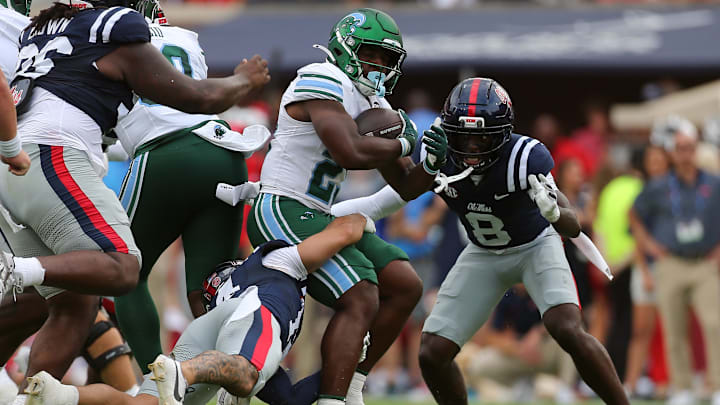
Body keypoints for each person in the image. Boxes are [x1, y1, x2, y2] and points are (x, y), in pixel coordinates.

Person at [0, 0, 269, 401]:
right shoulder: (113, 30)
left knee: (75, 304)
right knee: (123, 266)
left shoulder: (48, 31)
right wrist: (243, 79)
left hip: (18, 165)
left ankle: (29, 399)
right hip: (51, 153)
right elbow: (198, 96)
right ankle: (14, 268)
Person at [331, 78, 629, 405]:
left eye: (482, 136)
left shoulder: (524, 157)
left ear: (502, 133)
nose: (472, 146)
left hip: (534, 247)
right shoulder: (439, 155)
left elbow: (572, 227)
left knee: (567, 328)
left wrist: (555, 213)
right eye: (464, 135)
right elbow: (399, 191)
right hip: (483, 254)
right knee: (432, 352)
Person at [245, 8, 446, 405]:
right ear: (347, 47)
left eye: (390, 60)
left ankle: (348, 381)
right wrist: (405, 141)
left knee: (405, 285)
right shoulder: (322, 78)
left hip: (317, 215)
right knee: (361, 295)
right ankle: (332, 400)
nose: (382, 67)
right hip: (281, 207)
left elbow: (406, 183)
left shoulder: (371, 100)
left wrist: (434, 163)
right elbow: (349, 150)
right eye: (375, 54)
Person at [22, 213, 374, 405]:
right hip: (250, 314)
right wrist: (361, 219)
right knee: (246, 375)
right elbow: (342, 231)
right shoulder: (280, 262)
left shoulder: (229, 285)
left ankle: (59, 395)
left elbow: (292, 400)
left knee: (145, 404)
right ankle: (185, 372)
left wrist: (345, 361)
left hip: (211, 330)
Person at [109, 0, 269, 373]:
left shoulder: (109, 39)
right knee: (210, 289)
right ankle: (218, 379)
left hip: (168, 154)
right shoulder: (185, 38)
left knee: (124, 272)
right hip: (224, 151)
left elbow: (139, 117)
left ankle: (156, 381)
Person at [630, 122, 720, 405]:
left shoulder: (713, 183)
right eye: (680, 148)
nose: (685, 153)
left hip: (704, 262)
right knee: (673, 327)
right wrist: (650, 246)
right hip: (671, 262)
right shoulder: (658, 186)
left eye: (690, 148)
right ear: (672, 152)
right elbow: (633, 214)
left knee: (714, 323)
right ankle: (682, 388)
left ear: (696, 150)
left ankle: (716, 385)